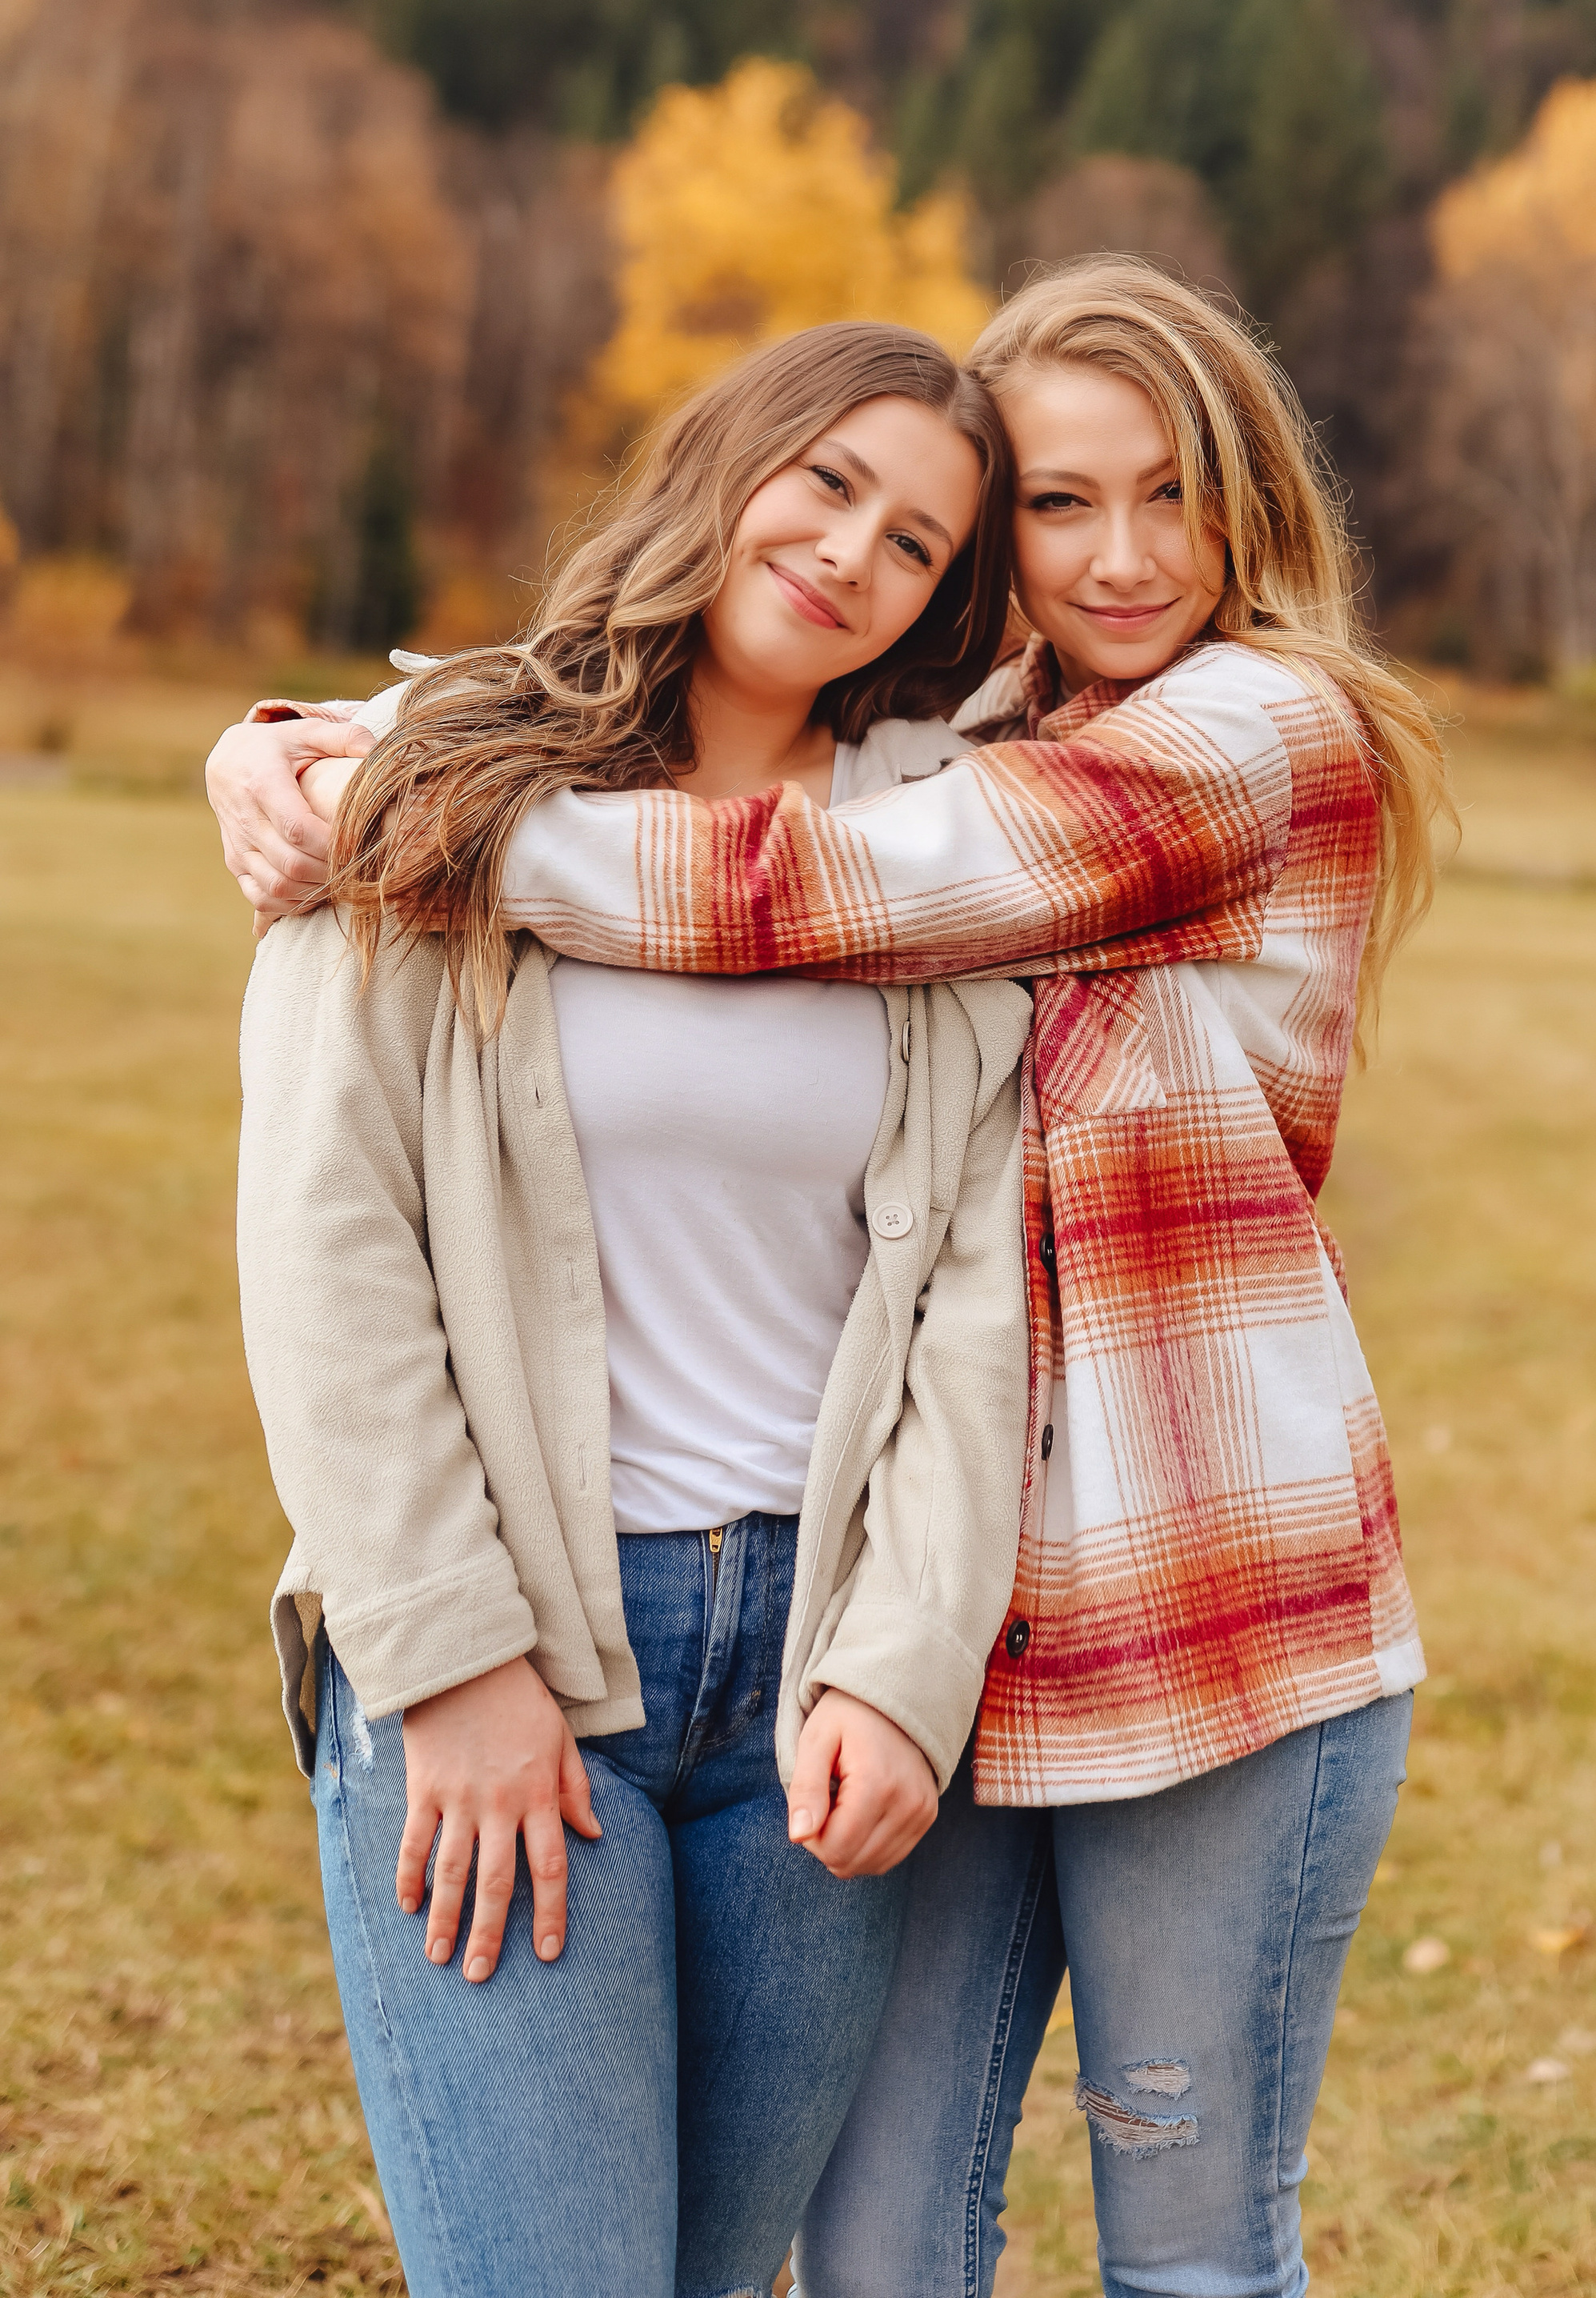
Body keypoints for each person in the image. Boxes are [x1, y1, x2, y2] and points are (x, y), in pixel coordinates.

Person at [213, 259, 1450, 2298]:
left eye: (1170, 493)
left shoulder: (1233, 736)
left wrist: (407, 801)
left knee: (1185, 2244)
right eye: (1057, 504)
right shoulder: (972, 733)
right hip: (902, 1613)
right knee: (874, 2250)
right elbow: (336, 1224)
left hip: (1177, 1585)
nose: (1120, 556)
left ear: (1249, 502)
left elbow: (817, 883)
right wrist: (316, 742)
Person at [233, 321, 1038, 2298]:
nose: (850, 554)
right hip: (522, 1646)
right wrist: (451, 1662)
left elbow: (969, 1301)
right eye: (827, 483)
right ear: (725, 461)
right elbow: (327, 1240)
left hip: (810, 1701)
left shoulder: (938, 852)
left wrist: (902, 1667)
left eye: (915, 544)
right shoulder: (436, 775)